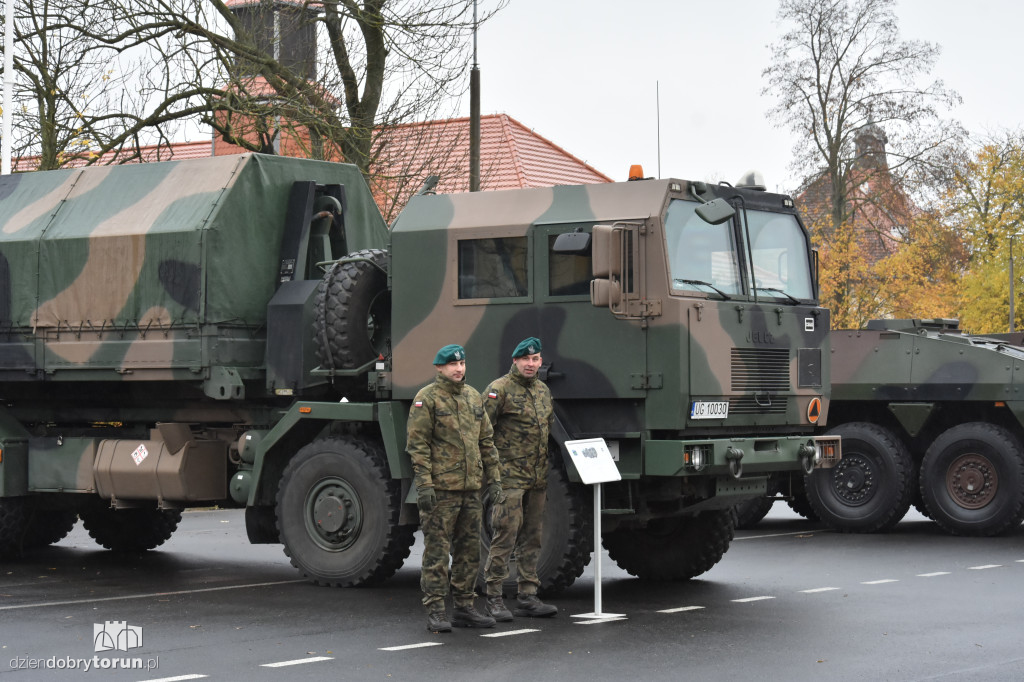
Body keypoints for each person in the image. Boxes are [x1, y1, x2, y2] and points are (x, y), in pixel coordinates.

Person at [406, 343, 504, 633]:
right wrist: (424, 485)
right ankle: (436, 610)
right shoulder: (428, 399)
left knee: (469, 551)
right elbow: (417, 446)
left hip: (471, 489)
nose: (459, 369)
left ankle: (464, 607)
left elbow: (486, 441)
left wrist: (495, 480)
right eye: (452, 365)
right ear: (439, 368)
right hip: (441, 490)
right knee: (437, 553)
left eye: (461, 364)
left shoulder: (474, 397)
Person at [482, 336, 558, 620]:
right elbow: (482, 432)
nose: (531, 364)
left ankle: (528, 595)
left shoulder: (542, 391)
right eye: (525, 359)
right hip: (509, 478)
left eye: (535, 359)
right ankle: (493, 598)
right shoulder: (498, 390)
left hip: (536, 477)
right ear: (515, 360)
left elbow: (546, 430)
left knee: (532, 537)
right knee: (505, 535)